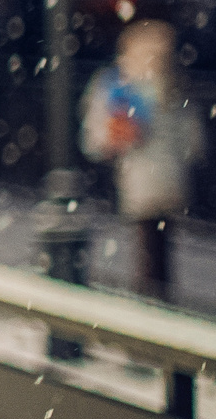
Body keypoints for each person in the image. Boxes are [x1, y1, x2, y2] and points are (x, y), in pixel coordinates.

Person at [82, 18, 202, 299]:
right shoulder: (171, 88)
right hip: (166, 177)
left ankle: (150, 300)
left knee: (148, 244)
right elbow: (193, 141)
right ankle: (158, 299)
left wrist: (117, 138)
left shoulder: (119, 86)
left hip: (140, 178)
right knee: (158, 245)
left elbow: (97, 136)